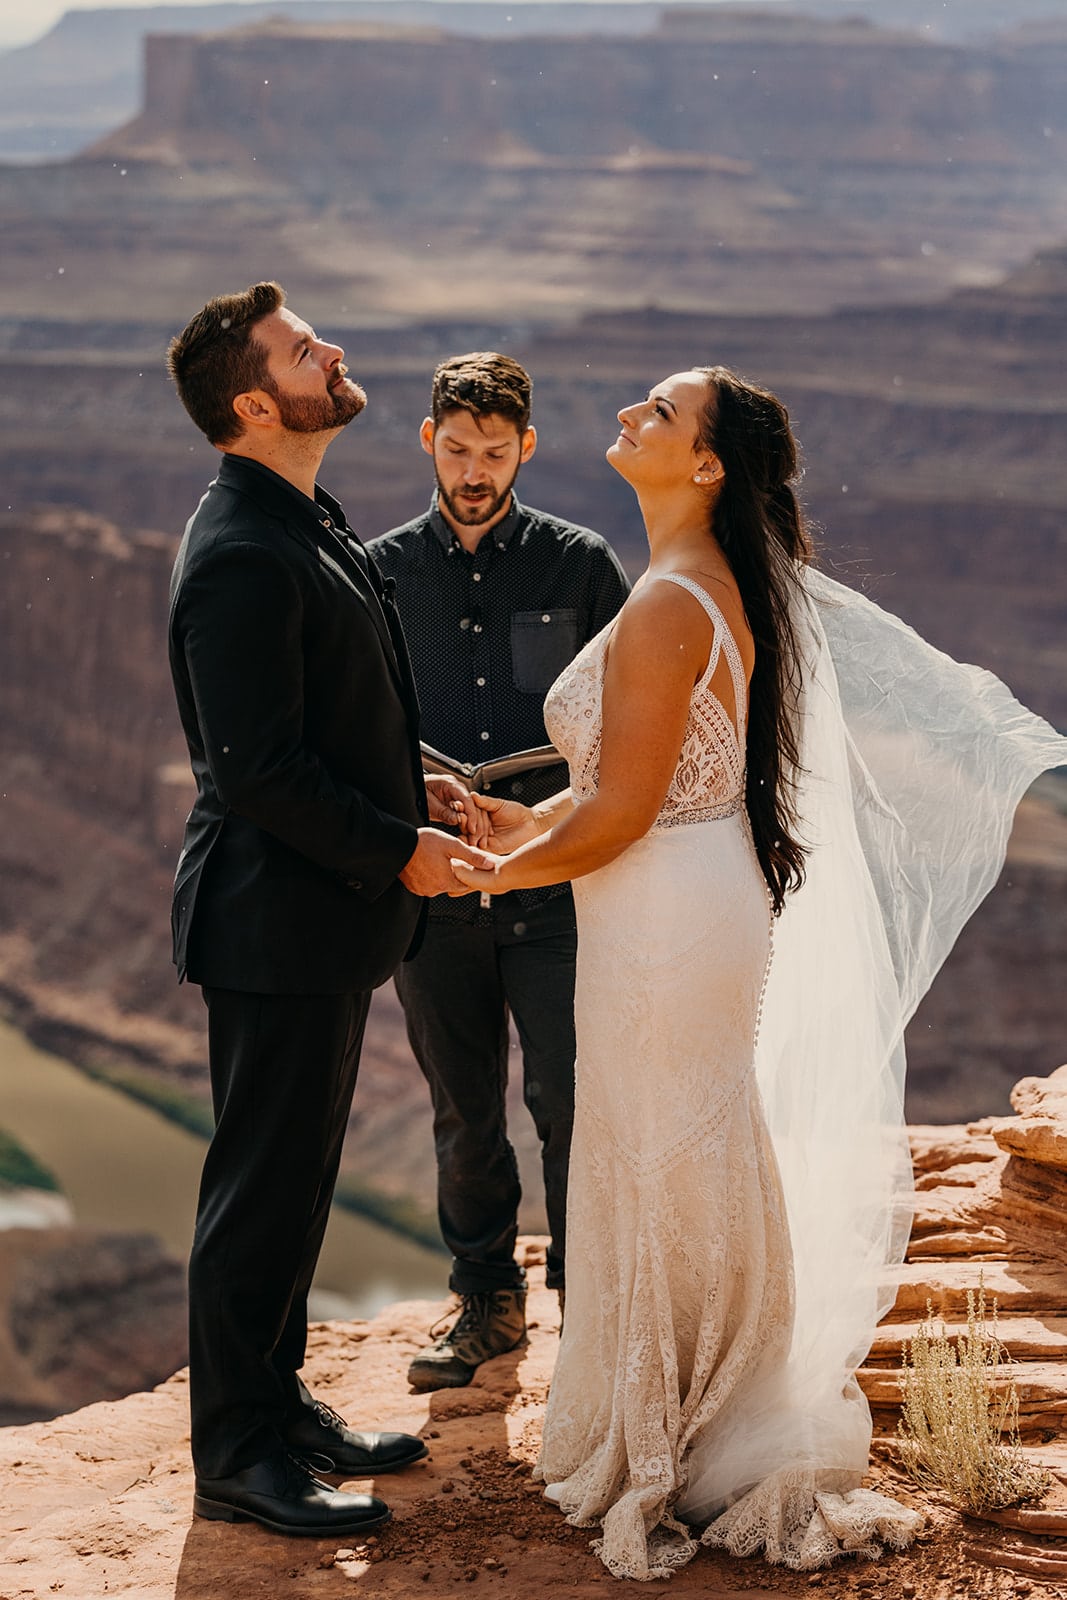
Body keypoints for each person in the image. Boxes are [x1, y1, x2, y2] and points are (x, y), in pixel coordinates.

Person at [452, 366, 1067, 1578]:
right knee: (665, 1140)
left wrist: (475, 879)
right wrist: (493, 824)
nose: (631, 411)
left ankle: (680, 1421)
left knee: (665, 1144)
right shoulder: (693, 588)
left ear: (706, 466)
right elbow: (618, 794)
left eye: (660, 411)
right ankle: (688, 1401)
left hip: (664, 915)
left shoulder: (674, 601)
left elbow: (624, 813)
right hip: (674, 900)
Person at [165, 282, 491, 1538]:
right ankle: (237, 1457)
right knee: (258, 1189)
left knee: (300, 1182)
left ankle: (277, 1402)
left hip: (318, 921)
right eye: (306, 351)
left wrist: (409, 777)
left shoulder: (293, 510)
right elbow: (251, 771)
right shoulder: (241, 549)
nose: (333, 351)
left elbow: (318, 712)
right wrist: (394, 847)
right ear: (256, 402)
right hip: (273, 923)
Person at [369, 353, 629, 1392]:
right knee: (461, 1105)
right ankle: (484, 1300)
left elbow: (622, 728)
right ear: (425, 439)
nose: (473, 471)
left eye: (493, 451)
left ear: (525, 446)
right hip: (434, 887)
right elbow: (358, 723)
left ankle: (589, 1312)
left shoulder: (580, 567)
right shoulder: (374, 568)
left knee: (570, 1099)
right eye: (456, 448)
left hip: (557, 884)